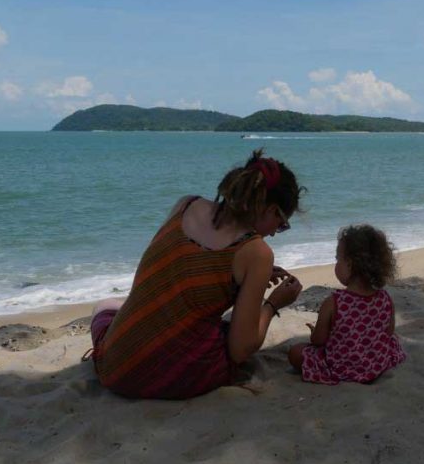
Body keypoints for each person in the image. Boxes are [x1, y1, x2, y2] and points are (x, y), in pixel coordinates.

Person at [87, 150, 304, 399]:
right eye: (282, 224)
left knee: (105, 306)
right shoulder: (256, 252)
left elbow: (180, 269)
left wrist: (248, 280)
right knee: (226, 334)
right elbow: (241, 350)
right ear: (271, 210)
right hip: (169, 375)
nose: (276, 233)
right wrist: (274, 303)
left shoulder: (186, 205)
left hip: (113, 369)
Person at [288, 224, 406, 385]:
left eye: (337, 259)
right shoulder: (385, 298)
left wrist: (314, 332)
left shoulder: (334, 303)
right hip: (375, 365)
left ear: (349, 264)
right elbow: (389, 332)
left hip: (340, 367)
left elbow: (319, 341)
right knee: (394, 340)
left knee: (295, 353)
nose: (336, 264)